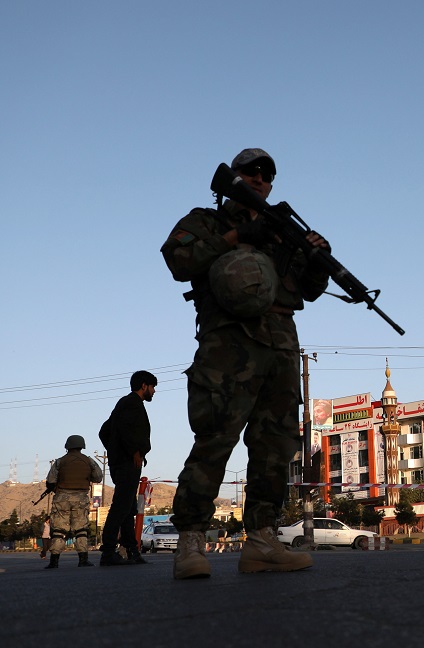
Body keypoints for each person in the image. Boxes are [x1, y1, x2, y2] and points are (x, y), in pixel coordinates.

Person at [161, 148, 330, 579]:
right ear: (234, 177)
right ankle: (191, 543)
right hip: (228, 344)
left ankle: (261, 540)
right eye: (250, 172)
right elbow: (178, 260)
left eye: (267, 175)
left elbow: (307, 291)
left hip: (280, 344)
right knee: (215, 437)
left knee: (276, 447)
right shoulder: (208, 220)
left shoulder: (280, 233)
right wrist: (238, 236)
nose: (259, 178)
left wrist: (317, 259)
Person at [99, 370, 157, 566]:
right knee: (120, 507)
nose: (154, 391)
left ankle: (132, 550)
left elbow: (104, 431)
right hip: (126, 465)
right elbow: (123, 430)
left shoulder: (125, 404)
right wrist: (132, 452)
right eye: (152, 387)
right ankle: (108, 552)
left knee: (127, 508)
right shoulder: (131, 403)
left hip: (121, 462)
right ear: (143, 386)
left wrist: (115, 451)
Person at [44, 436, 103, 569]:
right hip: (81, 498)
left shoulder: (60, 462)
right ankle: (83, 559)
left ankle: (54, 561)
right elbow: (98, 477)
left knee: (59, 530)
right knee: (81, 529)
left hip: (62, 498)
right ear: (82, 446)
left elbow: (50, 481)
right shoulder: (89, 461)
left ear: (67, 446)